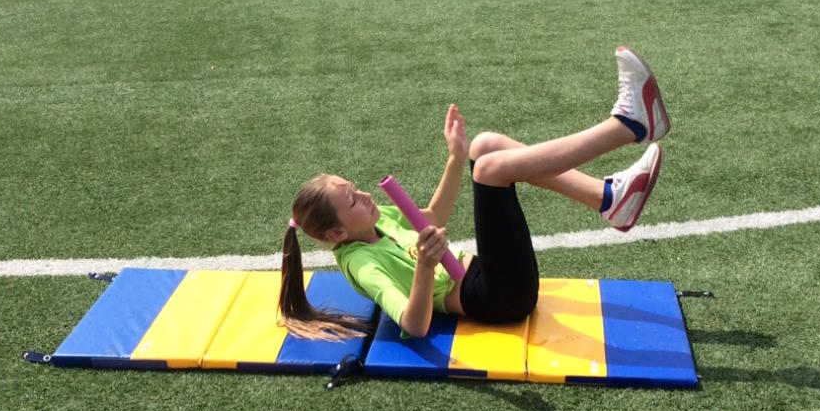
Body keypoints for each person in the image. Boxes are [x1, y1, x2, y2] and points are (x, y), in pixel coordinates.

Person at [279, 48, 670, 340]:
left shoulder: (374, 219)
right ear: (337, 234)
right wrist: (425, 267)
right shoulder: (363, 264)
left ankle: (607, 199)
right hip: (498, 298)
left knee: (485, 146)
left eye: (355, 188)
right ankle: (627, 127)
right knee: (489, 172)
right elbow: (414, 325)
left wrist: (455, 156)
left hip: (489, 274)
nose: (364, 196)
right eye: (352, 200)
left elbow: (433, 217)